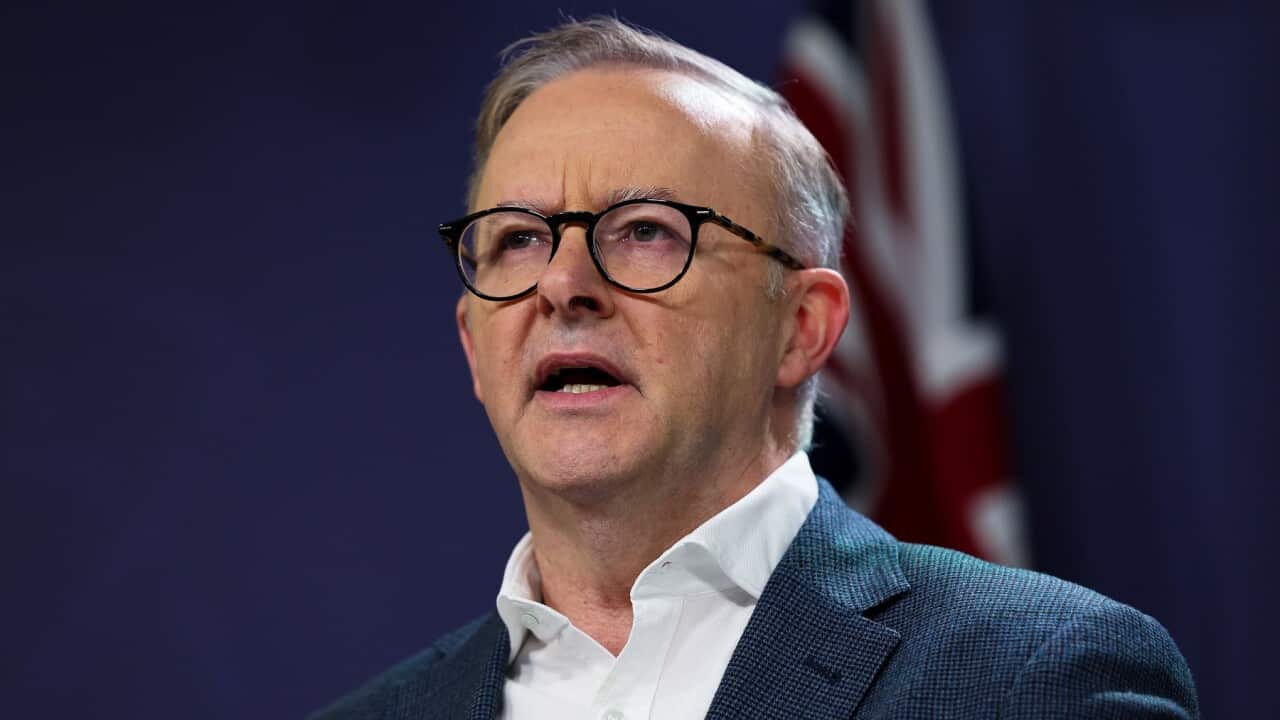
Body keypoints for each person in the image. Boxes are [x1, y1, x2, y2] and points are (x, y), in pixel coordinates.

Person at [315, 17, 1198, 720]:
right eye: (516, 239)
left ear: (803, 329)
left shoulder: (1036, 679)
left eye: (646, 230)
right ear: (474, 347)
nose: (562, 285)